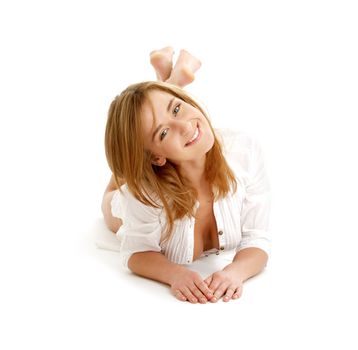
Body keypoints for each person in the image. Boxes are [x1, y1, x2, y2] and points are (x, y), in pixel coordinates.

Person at [101, 47, 271, 304]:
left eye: (177, 108)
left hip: (160, 160)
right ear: (156, 157)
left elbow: (258, 238)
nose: (186, 126)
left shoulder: (244, 151)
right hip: (136, 193)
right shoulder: (142, 196)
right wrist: (175, 274)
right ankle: (167, 90)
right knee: (117, 186)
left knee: (162, 124)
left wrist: (236, 272)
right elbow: (137, 252)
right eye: (163, 133)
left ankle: (168, 87)